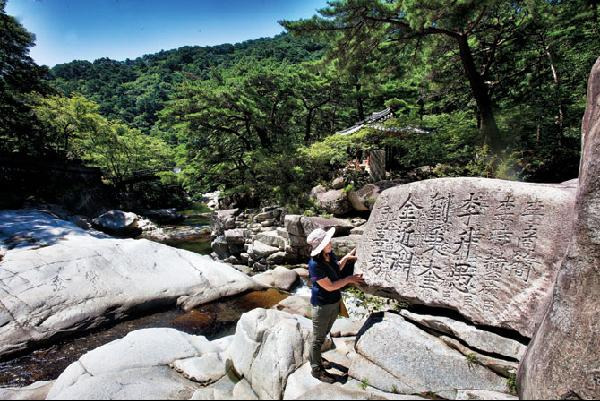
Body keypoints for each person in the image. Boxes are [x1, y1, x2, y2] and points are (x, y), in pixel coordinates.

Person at [306, 227, 364, 383]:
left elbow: (336, 267)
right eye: (326, 241)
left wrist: (347, 256)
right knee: (318, 339)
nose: (330, 242)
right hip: (322, 305)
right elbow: (330, 286)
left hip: (334, 301)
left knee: (324, 334)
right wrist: (349, 279)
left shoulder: (328, 254)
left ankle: (315, 357)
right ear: (320, 246)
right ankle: (316, 369)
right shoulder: (314, 264)